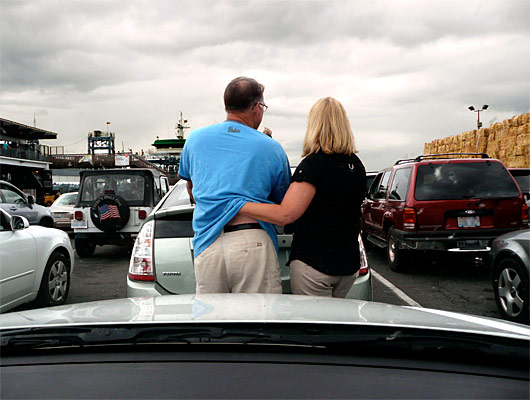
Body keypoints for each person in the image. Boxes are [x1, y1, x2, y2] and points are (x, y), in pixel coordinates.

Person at [239, 97, 367, 297]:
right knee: (336, 321)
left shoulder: (314, 165)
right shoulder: (356, 165)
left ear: (314, 125)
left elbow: (285, 215)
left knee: (315, 325)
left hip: (315, 262)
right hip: (347, 264)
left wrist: (240, 205)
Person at [178, 76, 291, 294]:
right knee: (258, 319)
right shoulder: (271, 148)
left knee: (212, 320)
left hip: (207, 242)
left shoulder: (194, 140)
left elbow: (191, 189)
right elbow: (282, 199)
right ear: (256, 107)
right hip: (253, 241)